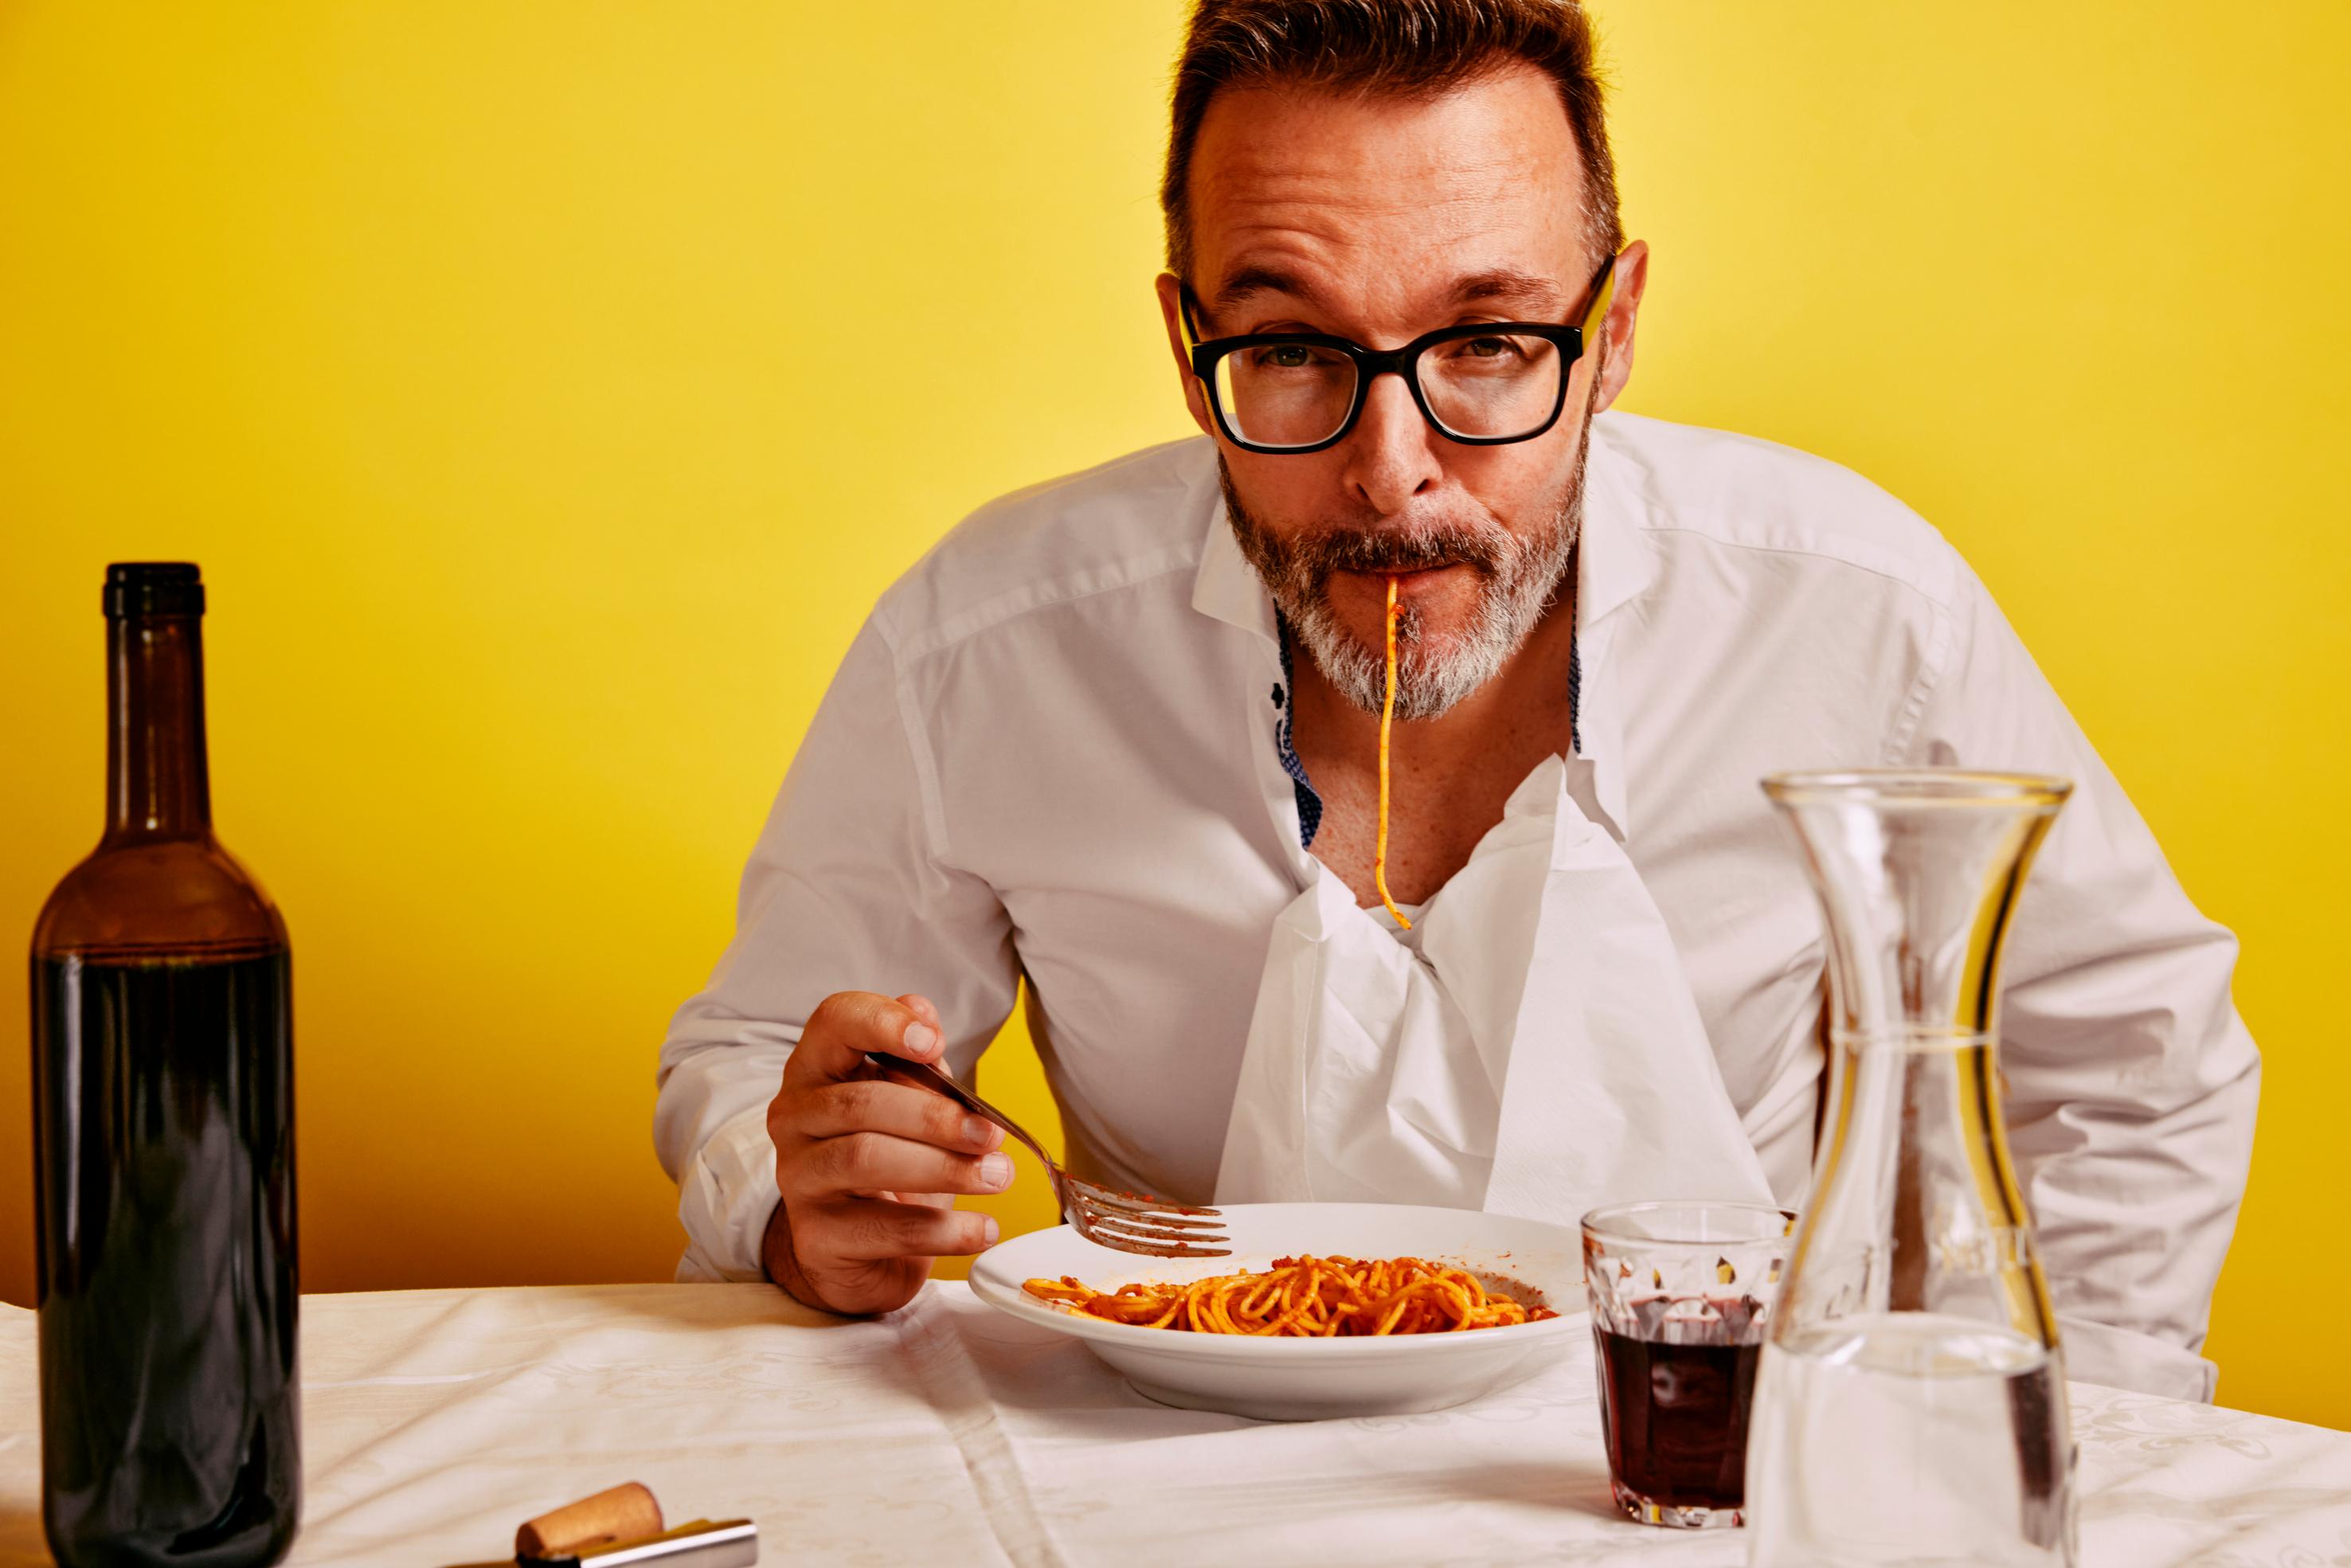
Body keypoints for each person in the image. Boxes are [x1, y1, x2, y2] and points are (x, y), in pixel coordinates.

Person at [654, 0, 2257, 1399]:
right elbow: (753, 1055)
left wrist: (2059, 1427)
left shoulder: (1857, 613)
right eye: (1288, 349)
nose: (1391, 474)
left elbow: (2134, 1060)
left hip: (1713, 1479)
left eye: (1489, 340)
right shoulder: (985, 643)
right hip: (1166, 1488)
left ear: (1613, 330)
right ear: (1186, 336)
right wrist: (801, 1198)